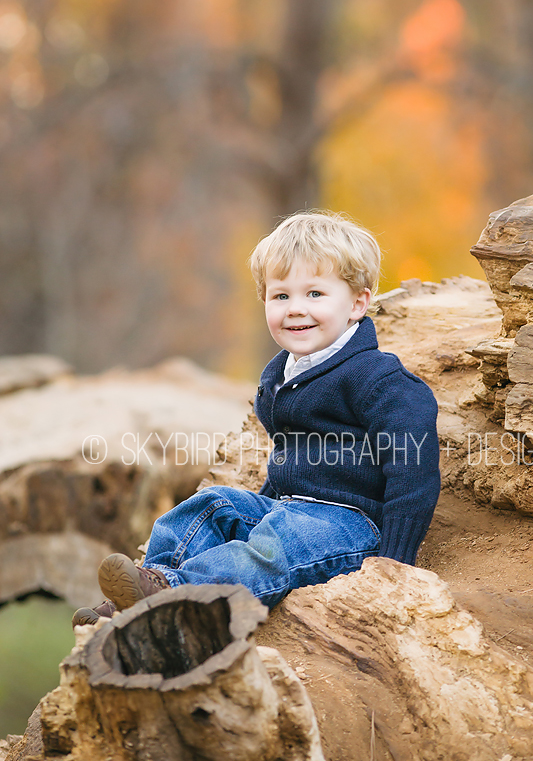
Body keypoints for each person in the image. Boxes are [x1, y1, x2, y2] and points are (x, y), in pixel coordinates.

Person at [72, 211, 440, 626]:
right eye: (281, 296)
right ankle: (148, 586)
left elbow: (414, 470)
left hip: (351, 525)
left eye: (315, 294)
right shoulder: (282, 373)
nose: (295, 309)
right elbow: (292, 451)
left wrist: (395, 562)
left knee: (273, 548)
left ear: (357, 302)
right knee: (212, 505)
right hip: (290, 508)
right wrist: (263, 504)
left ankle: (180, 597)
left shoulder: (378, 378)